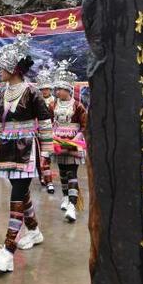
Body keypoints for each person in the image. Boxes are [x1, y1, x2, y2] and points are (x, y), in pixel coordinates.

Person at [0, 35, 53, 273]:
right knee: (21, 194)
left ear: (13, 68)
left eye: (1, 67)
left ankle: (8, 250)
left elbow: (44, 123)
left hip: (25, 148)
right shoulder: (4, 92)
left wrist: (46, 152)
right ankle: (34, 230)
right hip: (7, 147)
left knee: (16, 194)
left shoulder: (31, 91)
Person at [50, 61, 88, 222]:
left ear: (68, 90)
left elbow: (85, 126)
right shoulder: (53, 105)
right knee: (63, 173)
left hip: (73, 143)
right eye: (57, 89)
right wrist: (52, 136)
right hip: (58, 142)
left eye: (61, 89)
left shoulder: (78, 106)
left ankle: (72, 205)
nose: (58, 92)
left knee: (72, 173)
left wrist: (75, 140)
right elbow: (49, 123)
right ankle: (65, 197)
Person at [35, 65, 56, 194]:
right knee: (39, 157)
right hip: (37, 132)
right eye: (42, 89)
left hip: (51, 132)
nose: (44, 91)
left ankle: (49, 182)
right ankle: (43, 177)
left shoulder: (55, 102)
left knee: (46, 158)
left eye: (46, 89)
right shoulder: (36, 101)